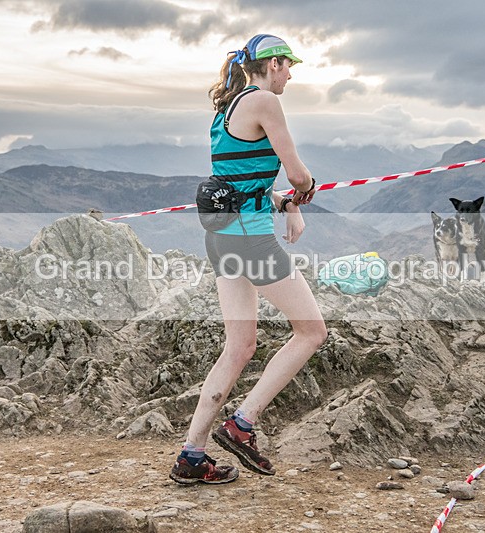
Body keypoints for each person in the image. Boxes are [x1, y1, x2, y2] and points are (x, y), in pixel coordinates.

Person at [170, 34, 328, 484]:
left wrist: (287, 204)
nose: (291, 75)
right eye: (288, 66)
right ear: (273, 63)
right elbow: (297, 173)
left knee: (239, 347)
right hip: (250, 242)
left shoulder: (226, 106)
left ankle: (192, 456)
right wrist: (304, 189)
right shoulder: (264, 101)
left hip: (221, 239)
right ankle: (242, 425)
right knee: (312, 331)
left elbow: (243, 181)